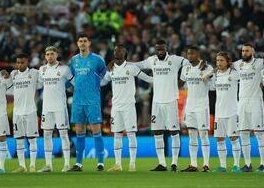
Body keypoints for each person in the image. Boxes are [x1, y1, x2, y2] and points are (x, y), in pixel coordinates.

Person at [134, 39, 190, 172]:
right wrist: (124, 64)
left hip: (171, 101)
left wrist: (184, 77)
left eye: (162, 48)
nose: (160, 51)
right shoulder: (152, 60)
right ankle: (162, 163)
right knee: (157, 132)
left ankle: (174, 163)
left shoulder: (175, 59)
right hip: (157, 102)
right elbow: (138, 65)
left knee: (174, 132)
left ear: (166, 48)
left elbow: (189, 63)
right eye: (158, 49)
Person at [101, 44, 153, 172]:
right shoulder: (111, 69)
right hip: (116, 107)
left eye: (119, 49)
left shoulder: (132, 67)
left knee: (131, 134)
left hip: (129, 106)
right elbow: (102, 82)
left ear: (125, 52)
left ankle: (132, 164)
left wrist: (163, 78)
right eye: (115, 50)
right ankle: (118, 164)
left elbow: (148, 79)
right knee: (117, 135)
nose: (116, 51)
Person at [233, 43, 264, 172]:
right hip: (241, 102)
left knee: (259, 134)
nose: (244, 53)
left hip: (255, 101)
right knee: (243, 134)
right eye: (242, 51)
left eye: (247, 51)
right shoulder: (238, 64)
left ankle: (263, 164)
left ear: (252, 52)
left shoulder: (259, 63)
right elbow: (224, 65)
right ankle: (248, 164)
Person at [69, 33, 107, 172]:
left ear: (89, 43)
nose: (82, 43)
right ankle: (78, 163)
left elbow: (106, 74)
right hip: (78, 100)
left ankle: (101, 162)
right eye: (80, 41)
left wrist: (97, 84)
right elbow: (72, 77)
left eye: (85, 41)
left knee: (96, 130)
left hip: (93, 100)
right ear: (77, 43)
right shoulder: (74, 60)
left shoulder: (97, 59)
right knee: (79, 130)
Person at [37, 46, 73, 172]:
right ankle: (48, 165)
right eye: (47, 54)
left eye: (52, 54)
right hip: (46, 108)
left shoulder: (64, 69)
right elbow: (39, 85)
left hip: (60, 107)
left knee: (63, 134)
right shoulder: (42, 69)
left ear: (56, 54)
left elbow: (74, 84)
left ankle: (67, 164)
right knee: (47, 135)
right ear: (45, 56)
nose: (50, 56)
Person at [179, 46, 213, 172]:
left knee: (203, 135)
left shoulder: (206, 67)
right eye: (188, 54)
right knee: (192, 134)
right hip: (190, 106)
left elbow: (216, 72)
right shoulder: (185, 69)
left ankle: (206, 164)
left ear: (198, 54)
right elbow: (180, 83)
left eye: (192, 54)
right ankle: (193, 164)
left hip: (202, 105)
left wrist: (210, 74)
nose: (190, 56)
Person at [211, 52, 241, 173]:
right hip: (219, 112)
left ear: (228, 61)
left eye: (222, 60)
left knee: (233, 138)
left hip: (232, 112)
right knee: (219, 139)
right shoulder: (216, 75)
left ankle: (236, 165)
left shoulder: (234, 74)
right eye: (217, 60)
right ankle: (222, 165)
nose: (219, 63)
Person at [10, 53, 40, 173]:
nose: (19, 65)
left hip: (30, 111)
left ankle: (32, 165)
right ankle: (22, 166)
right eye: (18, 62)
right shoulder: (13, 74)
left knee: (32, 139)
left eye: (22, 62)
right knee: (19, 140)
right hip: (17, 112)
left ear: (27, 62)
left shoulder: (34, 73)